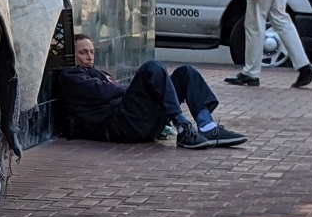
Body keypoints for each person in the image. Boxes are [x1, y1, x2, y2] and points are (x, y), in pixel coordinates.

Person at [57, 34, 248, 149]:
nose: (89, 56)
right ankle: (182, 126)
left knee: (185, 73)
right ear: (71, 55)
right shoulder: (71, 76)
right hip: (119, 127)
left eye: (91, 51)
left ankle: (207, 127)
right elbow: (103, 92)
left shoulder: (97, 72)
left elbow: (112, 90)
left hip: (138, 123)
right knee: (152, 68)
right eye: (83, 52)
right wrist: (130, 88)